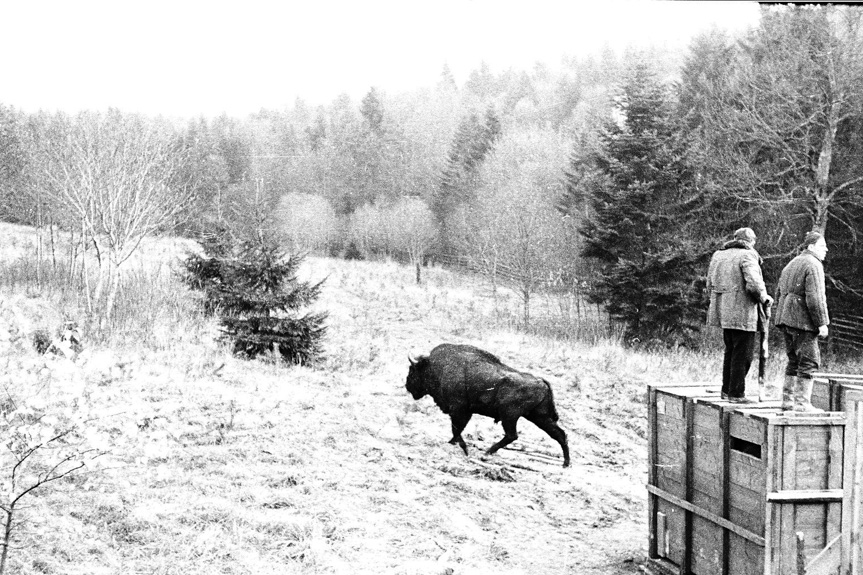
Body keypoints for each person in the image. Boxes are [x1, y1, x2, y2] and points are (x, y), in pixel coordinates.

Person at [706, 227, 774, 403]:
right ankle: (736, 394)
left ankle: (727, 390)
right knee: (743, 355)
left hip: (722, 312)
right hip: (742, 312)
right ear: (750, 242)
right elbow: (753, 284)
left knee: (730, 351)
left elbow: (709, 284)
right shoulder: (747, 255)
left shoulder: (718, 255)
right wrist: (764, 298)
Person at [774, 230, 830, 412]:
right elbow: (815, 298)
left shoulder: (792, 263)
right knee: (809, 361)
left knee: (794, 361)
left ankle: (788, 402)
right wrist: (822, 323)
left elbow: (778, 292)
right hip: (802, 321)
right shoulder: (813, 264)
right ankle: (801, 404)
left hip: (786, 318)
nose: (826, 250)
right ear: (811, 247)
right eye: (822, 246)